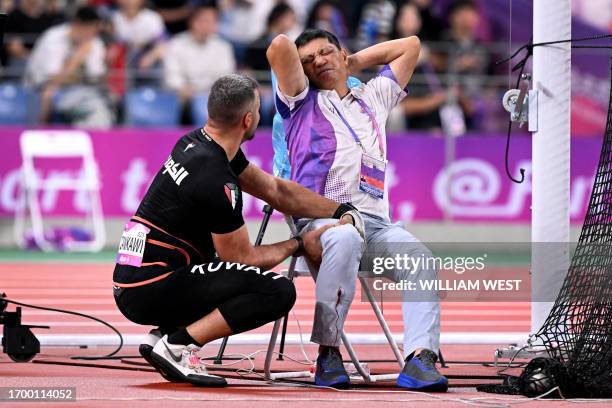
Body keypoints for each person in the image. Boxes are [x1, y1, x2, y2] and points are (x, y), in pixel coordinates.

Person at [113, 73, 362, 387]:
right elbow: (242, 259)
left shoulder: (197, 143)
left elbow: (275, 190)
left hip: (137, 281)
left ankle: (163, 334)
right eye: (259, 110)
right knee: (276, 291)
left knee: (210, 260)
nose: (260, 114)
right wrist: (299, 244)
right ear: (248, 119)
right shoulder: (216, 179)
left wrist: (338, 209)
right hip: (151, 288)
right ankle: (178, 345)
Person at [267, 29, 447, 390]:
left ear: (342, 53)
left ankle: (419, 359)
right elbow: (279, 47)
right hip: (321, 226)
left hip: (377, 227)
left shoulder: (373, 97)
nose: (318, 60)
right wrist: (307, 67)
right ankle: (328, 354)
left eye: (326, 52)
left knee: (421, 259)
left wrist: (353, 62)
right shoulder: (298, 104)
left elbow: (411, 45)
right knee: (345, 236)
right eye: (309, 60)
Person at [24, 6, 112, 127]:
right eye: (90, 29)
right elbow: (53, 79)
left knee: (102, 106)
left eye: (95, 30)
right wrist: (77, 57)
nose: (92, 34)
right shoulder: (53, 38)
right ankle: (40, 129)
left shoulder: (94, 42)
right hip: (40, 88)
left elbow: (96, 76)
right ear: (78, 24)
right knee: (49, 94)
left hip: (81, 90)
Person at [163, 5, 235, 117]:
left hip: (212, 94)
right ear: (192, 22)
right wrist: (182, 88)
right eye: (203, 20)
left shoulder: (223, 47)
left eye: (212, 21)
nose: (207, 25)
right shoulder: (176, 43)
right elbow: (171, 75)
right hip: (182, 95)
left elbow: (225, 76)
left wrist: (206, 92)